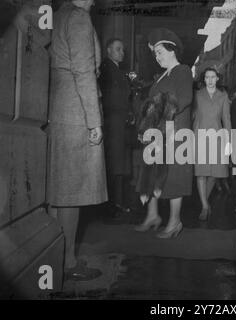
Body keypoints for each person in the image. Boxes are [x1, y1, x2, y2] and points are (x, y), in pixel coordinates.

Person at [48, 0, 107, 280]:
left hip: (57, 106)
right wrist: (94, 121)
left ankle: (55, 255)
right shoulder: (79, 18)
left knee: (57, 190)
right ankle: (68, 262)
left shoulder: (56, 16)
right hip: (77, 110)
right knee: (72, 189)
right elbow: (84, 71)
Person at [134, 28, 193, 238]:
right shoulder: (161, 78)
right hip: (158, 133)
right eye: (155, 53)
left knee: (174, 178)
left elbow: (185, 98)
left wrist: (159, 114)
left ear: (172, 50)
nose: (157, 57)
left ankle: (175, 222)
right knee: (152, 173)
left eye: (160, 52)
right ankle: (152, 216)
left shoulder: (183, 70)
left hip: (175, 133)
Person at [99, 38, 132, 219]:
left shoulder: (117, 70)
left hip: (120, 123)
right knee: (113, 164)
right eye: (118, 49)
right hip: (112, 123)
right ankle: (110, 206)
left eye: (123, 50)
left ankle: (117, 202)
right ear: (108, 50)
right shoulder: (106, 69)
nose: (122, 53)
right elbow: (108, 99)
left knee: (120, 164)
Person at [193, 67, 232, 220]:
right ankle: (204, 206)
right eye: (207, 77)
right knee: (201, 173)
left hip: (217, 138)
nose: (210, 80)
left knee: (215, 173)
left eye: (213, 77)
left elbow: (227, 120)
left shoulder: (223, 96)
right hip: (200, 137)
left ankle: (205, 201)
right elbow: (193, 117)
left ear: (217, 79)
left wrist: (228, 141)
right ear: (204, 79)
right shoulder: (197, 95)